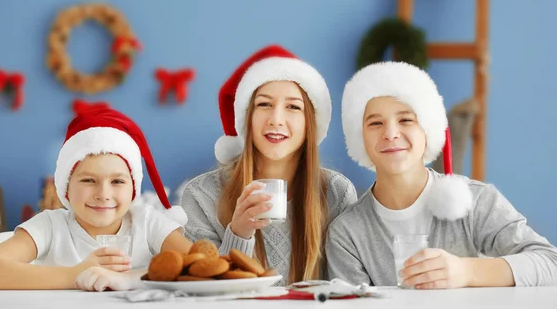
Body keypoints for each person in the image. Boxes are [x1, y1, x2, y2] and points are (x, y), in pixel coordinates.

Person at [326, 61, 557, 288]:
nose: (391, 133)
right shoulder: (347, 233)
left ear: (428, 129)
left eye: (406, 120)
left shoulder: (475, 201)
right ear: (359, 138)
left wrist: (466, 272)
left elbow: (551, 263)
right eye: (375, 123)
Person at [181, 45, 358, 285]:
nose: (276, 119)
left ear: (310, 124)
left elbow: (348, 290)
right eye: (264, 104)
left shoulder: (337, 193)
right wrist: (239, 234)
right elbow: (202, 294)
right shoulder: (201, 196)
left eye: (293, 107)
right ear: (247, 118)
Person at [0, 108, 191, 291]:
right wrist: (76, 275)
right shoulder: (49, 226)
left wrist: (131, 279)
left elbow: (203, 264)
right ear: (66, 186)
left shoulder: (148, 222)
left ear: (133, 188)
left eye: (117, 182)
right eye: (88, 180)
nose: (103, 194)